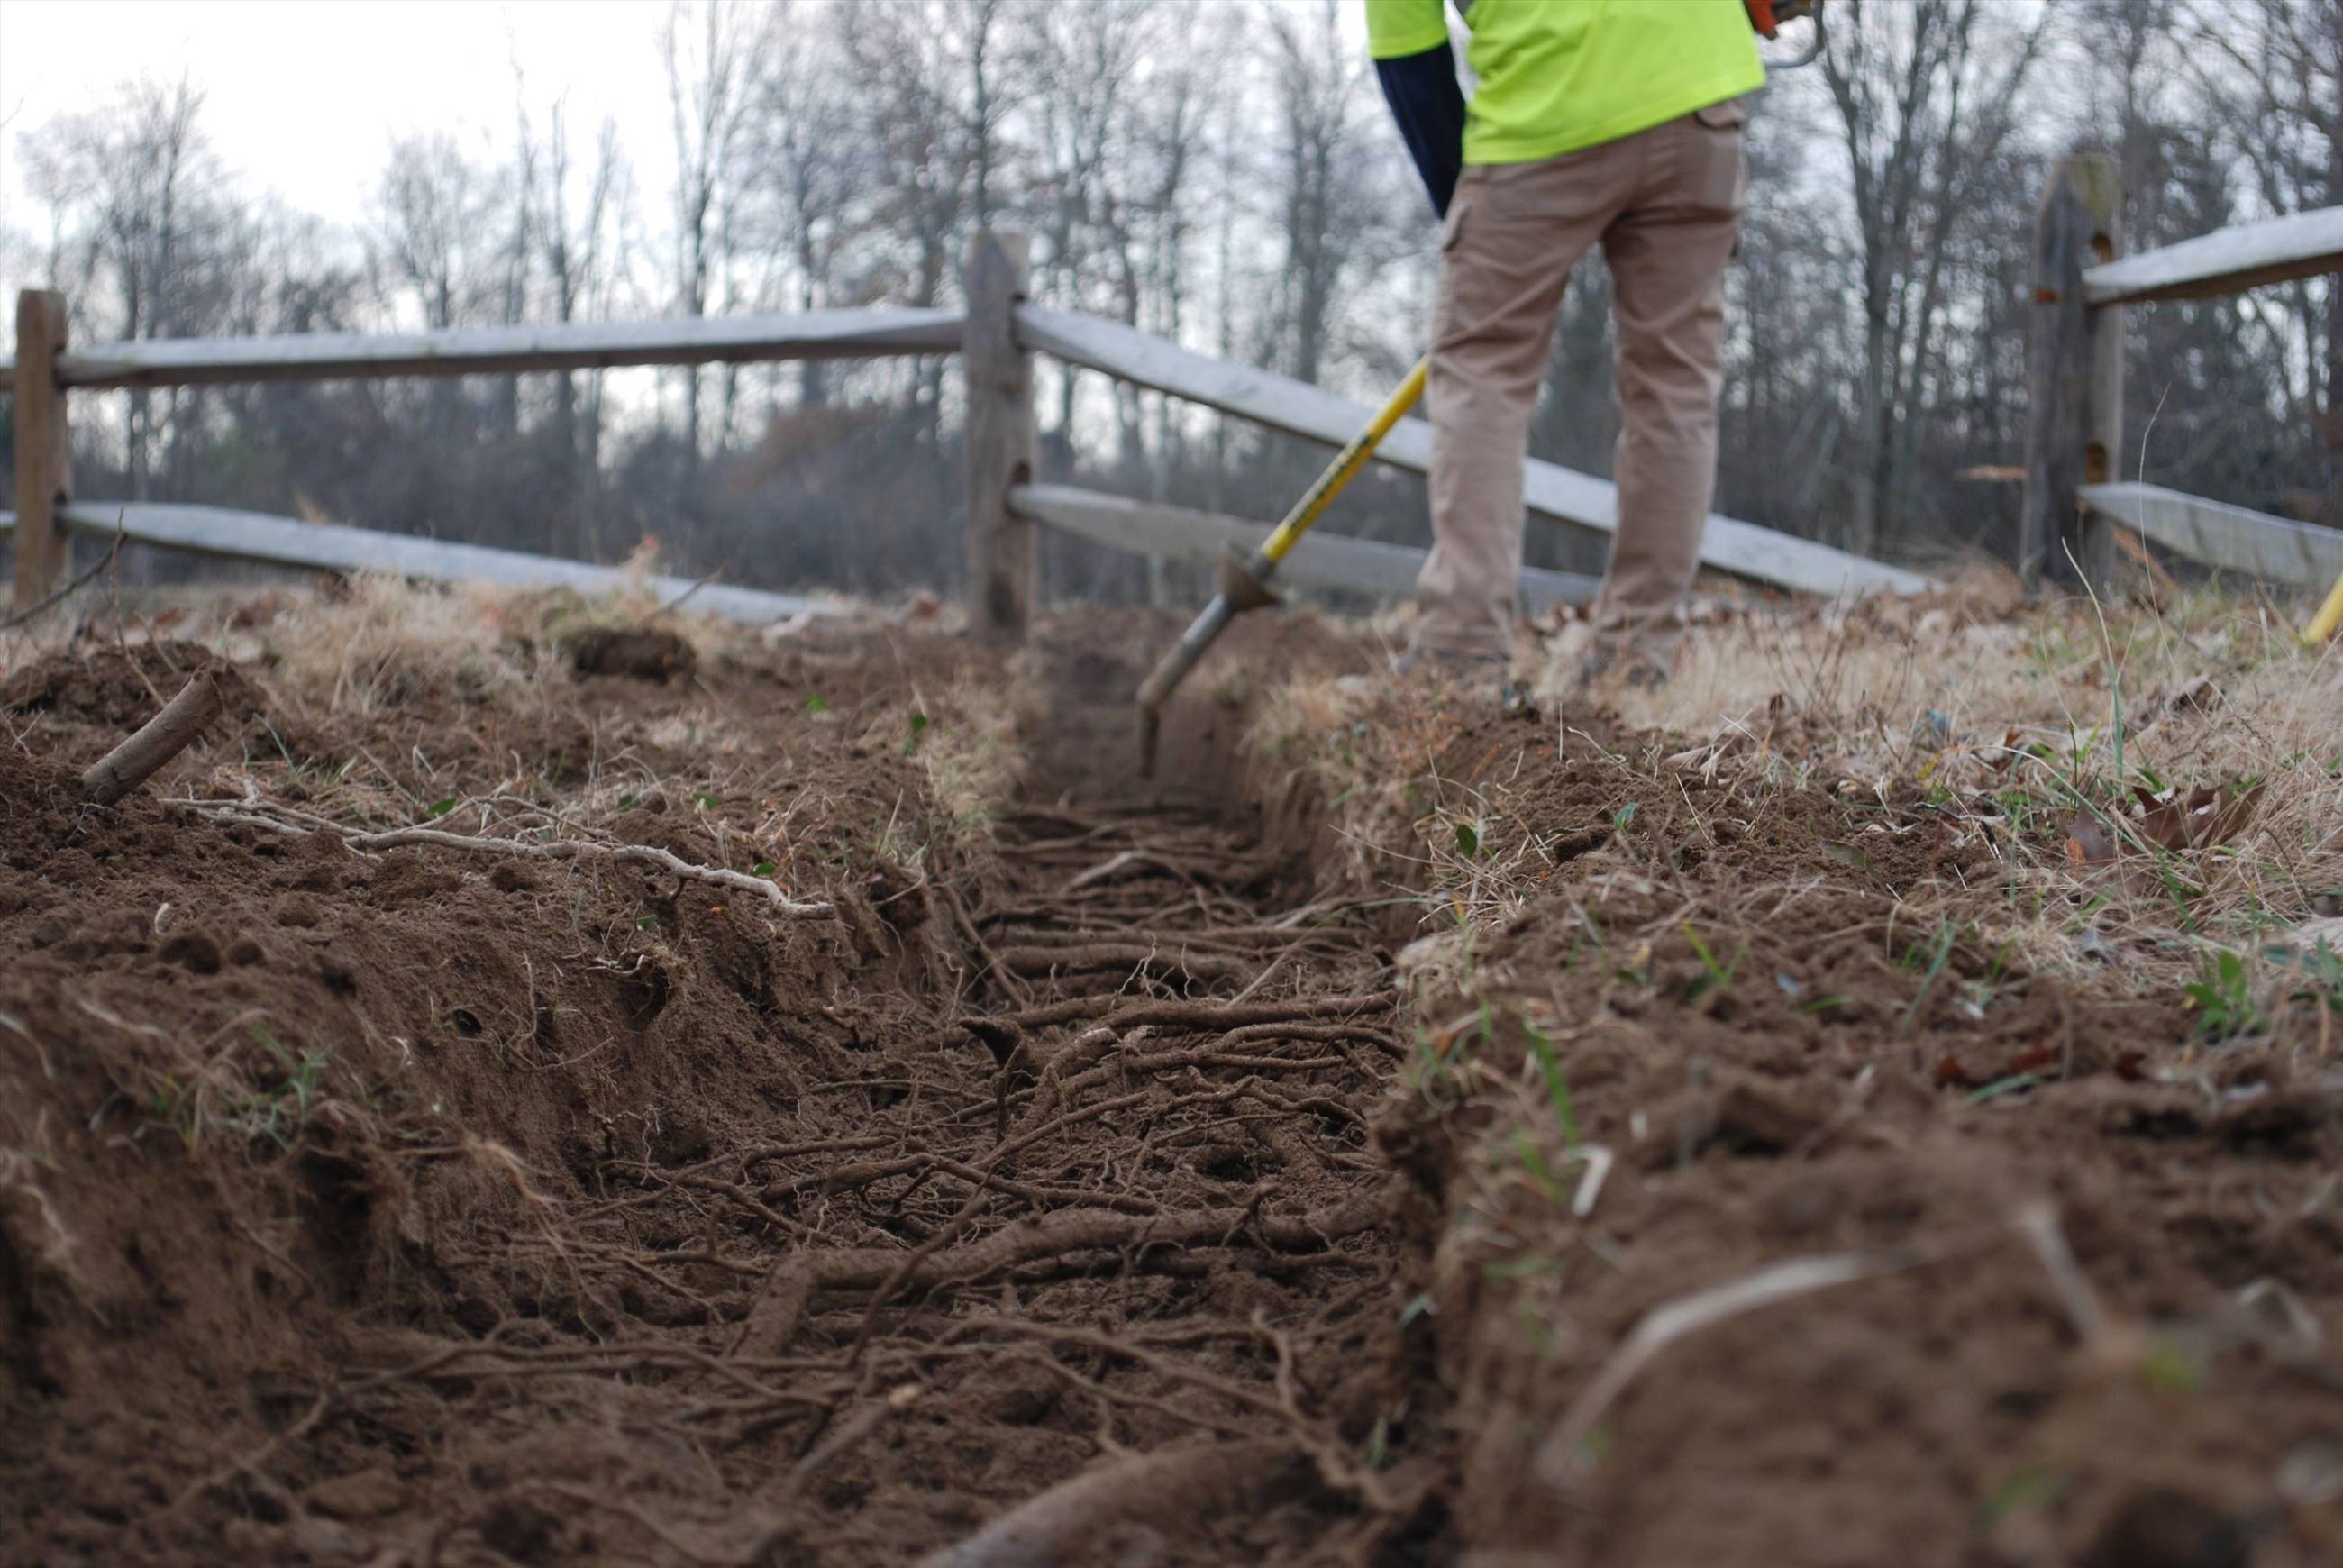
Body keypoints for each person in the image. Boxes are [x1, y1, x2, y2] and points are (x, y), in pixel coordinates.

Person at [1368, 0, 1765, 691]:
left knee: (1482, 372)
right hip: (1696, 100)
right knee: (1675, 387)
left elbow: (1410, 57)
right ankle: (1637, 658)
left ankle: (1461, 649)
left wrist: (1463, 204)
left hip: (1541, 117)